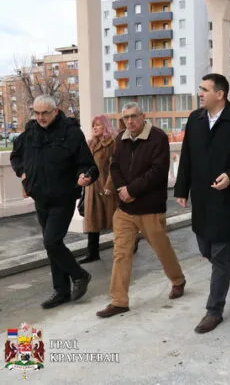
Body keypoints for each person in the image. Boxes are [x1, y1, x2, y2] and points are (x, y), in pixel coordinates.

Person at [174, 73, 230, 333]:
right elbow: (187, 155)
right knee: (205, 249)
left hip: (228, 199)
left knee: (221, 254)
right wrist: (182, 188)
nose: (200, 93)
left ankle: (214, 311)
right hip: (202, 197)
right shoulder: (195, 119)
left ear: (220, 94)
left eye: (204, 89)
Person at [96, 103, 187, 318]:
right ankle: (119, 301)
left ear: (143, 116)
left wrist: (132, 190)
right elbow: (114, 166)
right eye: (126, 117)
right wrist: (122, 189)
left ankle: (178, 280)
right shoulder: (121, 138)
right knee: (121, 253)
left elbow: (158, 171)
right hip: (125, 209)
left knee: (162, 248)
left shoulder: (158, 137)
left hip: (150, 208)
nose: (129, 121)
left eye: (133, 116)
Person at [10, 94, 98, 309]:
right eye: (37, 113)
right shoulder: (30, 133)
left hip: (63, 197)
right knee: (52, 246)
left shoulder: (71, 133)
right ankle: (61, 291)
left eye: (45, 113)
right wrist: (23, 174)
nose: (40, 117)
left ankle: (79, 275)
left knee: (51, 241)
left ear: (55, 111)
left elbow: (87, 164)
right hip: (40, 197)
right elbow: (16, 156)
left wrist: (85, 175)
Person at [79, 115, 118, 263]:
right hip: (91, 187)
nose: (95, 128)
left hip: (106, 186)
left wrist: (109, 185)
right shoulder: (90, 143)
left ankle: (129, 243)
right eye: (93, 125)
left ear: (105, 126)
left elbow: (114, 166)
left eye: (98, 125)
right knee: (92, 220)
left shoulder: (112, 143)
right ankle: (92, 253)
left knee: (114, 219)